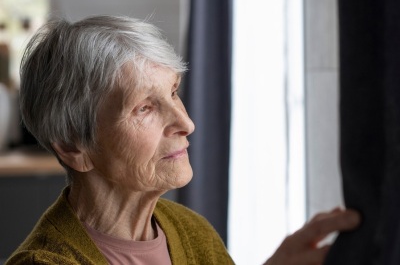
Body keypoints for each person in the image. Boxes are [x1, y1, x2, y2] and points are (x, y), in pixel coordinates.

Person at [5, 15, 360, 265]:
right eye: (144, 108)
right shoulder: (45, 262)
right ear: (72, 147)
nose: (186, 123)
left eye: (174, 91)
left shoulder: (192, 231)